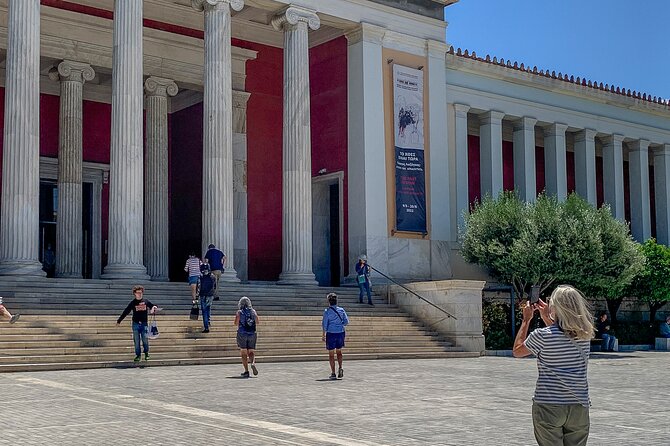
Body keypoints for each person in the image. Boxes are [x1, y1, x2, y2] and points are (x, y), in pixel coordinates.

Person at [513, 285, 595, 446]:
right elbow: (565, 334)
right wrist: (548, 318)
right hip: (578, 405)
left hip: (549, 405)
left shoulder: (542, 336)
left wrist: (526, 320)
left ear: (556, 307)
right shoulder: (585, 335)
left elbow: (518, 351)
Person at [116, 286, 159, 362]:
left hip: (144, 324)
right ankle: (138, 355)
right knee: (136, 341)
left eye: (141, 292)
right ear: (134, 294)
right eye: (138, 293)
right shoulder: (133, 303)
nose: (139, 294)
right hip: (135, 324)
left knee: (145, 340)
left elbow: (152, 306)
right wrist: (119, 320)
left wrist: (154, 307)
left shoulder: (145, 301)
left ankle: (146, 353)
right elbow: (126, 311)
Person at [322, 292, 349, 380]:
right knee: (339, 352)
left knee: (331, 354)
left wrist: (323, 335)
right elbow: (346, 322)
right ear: (336, 301)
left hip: (331, 333)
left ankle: (333, 373)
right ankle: (340, 367)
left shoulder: (327, 311)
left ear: (328, 302)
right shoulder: (341, 310)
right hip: (340, 333)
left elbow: (325, 325)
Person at [234, 296, 259, 378]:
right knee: (251, 351)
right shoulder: (253, 311)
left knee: (243, 352)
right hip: (252, 333)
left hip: (242, 333)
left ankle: (246, 371)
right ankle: (252, 363)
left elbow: (236, 323)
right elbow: (257, 322)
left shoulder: (239, 312)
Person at [199, 263, 216, 333]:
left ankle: (206, 327)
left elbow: (199, 286)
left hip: (203, 295)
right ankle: (208, 321)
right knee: (208, 309)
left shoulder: (201, 277)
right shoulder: (213, 277)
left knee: (204, 311)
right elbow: (214, 286)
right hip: (210, 295)